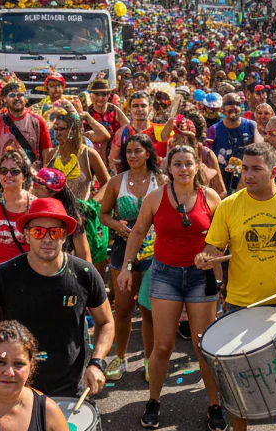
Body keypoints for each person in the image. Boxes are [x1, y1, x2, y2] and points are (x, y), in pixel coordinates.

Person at [195, 140, 276, 431]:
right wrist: (206, 257)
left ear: (274, 172)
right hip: (240, 305)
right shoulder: (229, 205)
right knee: (238, 384)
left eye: (256, 169)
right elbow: (214, 247)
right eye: (245, 169)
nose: (248, 175)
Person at [117, 144, 226, 430]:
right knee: (163, 345)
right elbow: (138, 231)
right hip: (165, 275)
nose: (183, 169)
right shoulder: (156, 197)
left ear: (197, 167)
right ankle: (153, 401)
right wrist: (127, 267)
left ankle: (215, 405)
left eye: (188, 163)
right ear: (169, 167)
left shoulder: (210, 197)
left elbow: (223, 236)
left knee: (203, 346)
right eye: (177, 164)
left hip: (200, 276)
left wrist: (212, 253)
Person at [0, 199, 113, 404]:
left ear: (64, 236)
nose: (47, 238)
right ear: (26, 235)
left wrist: (97, 362)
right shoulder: (4, 275)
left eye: (55, 232)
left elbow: (106, 322)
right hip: (16, 384)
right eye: (38, 232)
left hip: (69, 387)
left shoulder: (84, 273)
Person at [96, 133, 163, 380]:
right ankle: (120, 357)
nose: (132, 156)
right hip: (123, 251)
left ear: (148, 153)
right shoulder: (117, 182)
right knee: (123, 309)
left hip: (154, 252)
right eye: (129, 152)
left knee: (148, 310)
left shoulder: (161, 180)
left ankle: (149, 359)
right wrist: (116, 224)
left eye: (138, 151)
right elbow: (103, 214)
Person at [206, 93, 261, 193]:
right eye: (230, 103)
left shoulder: (251, 126)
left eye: (238, 104)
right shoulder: (213, 130)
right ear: (222, 108)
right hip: (222, 183)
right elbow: (206, 157)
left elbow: (260, 148)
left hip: (246, 181)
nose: (234, 107)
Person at [0, 82, 52, 162]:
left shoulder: (37, 121)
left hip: (32, 168)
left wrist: (44, 167)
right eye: (12, 95)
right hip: (6, 169)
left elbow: (46, 150)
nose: (16, 98)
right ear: (4, 99)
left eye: (20, 95)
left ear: (25, 99)